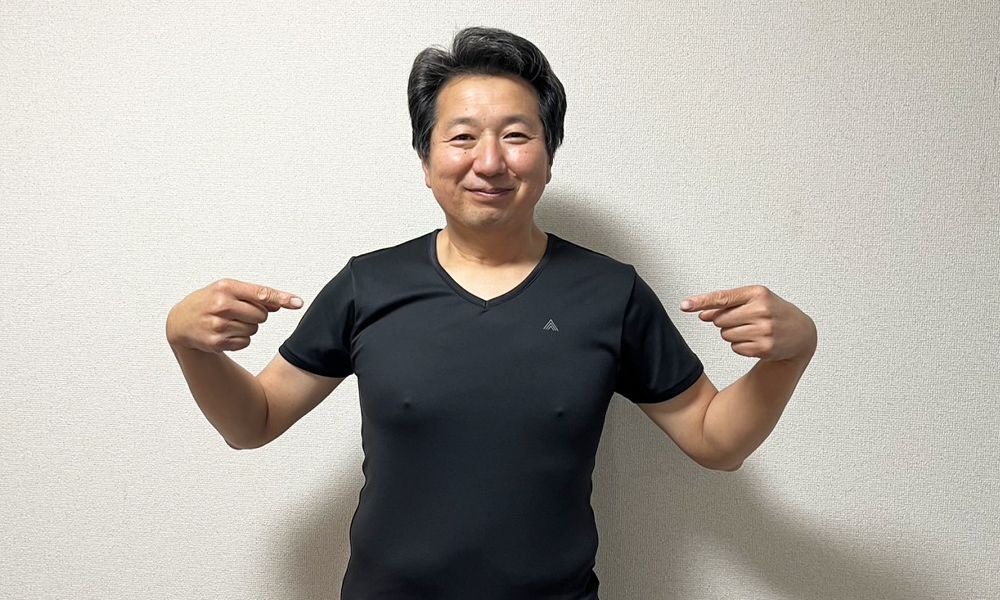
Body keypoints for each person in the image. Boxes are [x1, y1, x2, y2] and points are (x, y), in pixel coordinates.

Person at [166, 26, 817, 600]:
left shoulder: (609, 292)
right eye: (462, 137)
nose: (490, 161)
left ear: (548, 157)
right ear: (426, 161)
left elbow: (714, 440)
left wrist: (792, 353)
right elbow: (254, 421)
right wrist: (189, 344)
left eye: (516, 135)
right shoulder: (369, 285)